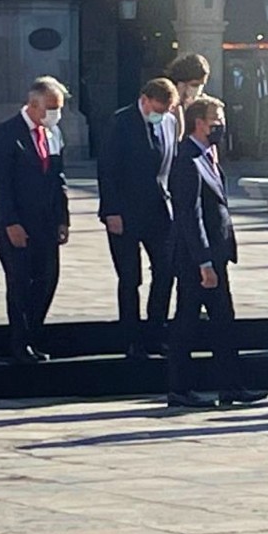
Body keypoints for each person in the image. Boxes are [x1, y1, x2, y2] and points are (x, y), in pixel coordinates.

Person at [165, 95, 268, 409]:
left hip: (215, 256)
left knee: (223, 322)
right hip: (197, 259)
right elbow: (189, 214)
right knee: (187, 323)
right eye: (216, 120)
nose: (220, 126)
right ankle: (179, 389)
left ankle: (231, 386)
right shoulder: (187, 159)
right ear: (199, 123)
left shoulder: (208, 154)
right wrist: (204, 261)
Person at [0, 77, 72, 364]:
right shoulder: (8, 133)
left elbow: (59, 179)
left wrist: (63, 219)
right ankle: (20, 344)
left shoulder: (53, 133)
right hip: (15, 222)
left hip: (46, 221)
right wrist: (10, 222)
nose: (55, 114)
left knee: (48, 279)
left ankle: (33, 334)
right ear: (34, 105)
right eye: (51, 107)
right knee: (20, 281)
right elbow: (1, 182)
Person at [97, 77, 180, 359]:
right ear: (145, 100)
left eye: (168, 108)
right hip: (125, 212)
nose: (163, 113)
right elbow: (107, 168)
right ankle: (131, 339)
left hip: (159, 211)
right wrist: (111, 211)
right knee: (130, 277)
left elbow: (170, 164)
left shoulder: (169, 121)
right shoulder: (121, 122)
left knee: (166, 272)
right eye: (159, 107)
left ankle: (156, 333)